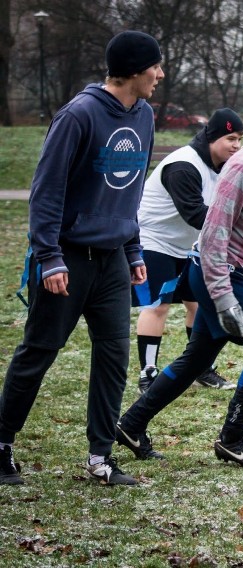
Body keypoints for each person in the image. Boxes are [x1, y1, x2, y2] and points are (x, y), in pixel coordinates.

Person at [114, 77, 243, 466]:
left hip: (241, 276)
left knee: (195, 360)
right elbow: (213, 235)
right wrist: (224, 297)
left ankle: (130, 423)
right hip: (216, 271)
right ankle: (232, 439)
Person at [0, 31, 164, 485]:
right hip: (66, 260)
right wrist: (49, 257)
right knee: (38, 352)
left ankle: (100, 457)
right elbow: (46, 192)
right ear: (134, 69)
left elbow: (131, 190)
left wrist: (132, 248)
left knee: (114, 357)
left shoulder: (145, 116)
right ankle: (1, 443)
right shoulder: (79, 115)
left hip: (113, 260)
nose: (160, 74)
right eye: (155, 66)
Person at [133, 108, 243, 394]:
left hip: (189, 245)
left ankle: (200, 368)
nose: (236, 145)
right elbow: (195, 214)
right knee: (158, 305)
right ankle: (148, 373)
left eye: (240, 139)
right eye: (230, 138)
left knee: (198, 305)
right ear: (212, 137)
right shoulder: (183, 165)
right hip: (154, 240)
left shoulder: (226, 166)